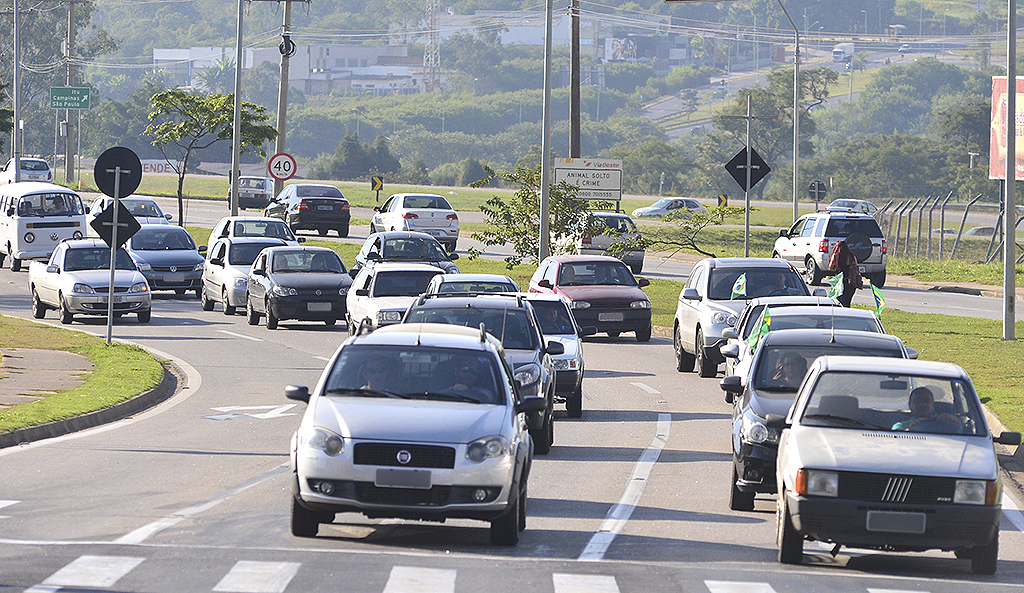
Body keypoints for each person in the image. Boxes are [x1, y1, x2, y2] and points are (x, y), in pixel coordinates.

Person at [893, 387, 962, 433]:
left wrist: (953, 421)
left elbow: (963, 435)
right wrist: (910, 429)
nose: (922, 404)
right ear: (910, 405)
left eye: (927, 400)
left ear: (933, 404)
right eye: (917, 401)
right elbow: (897, 441)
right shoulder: (900, 426)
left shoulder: (948, 420)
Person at [828, 240, 862, 307]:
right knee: (847, 302)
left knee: (839, 302)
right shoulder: (851, 255)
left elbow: (830, 267)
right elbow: (855, 266)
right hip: (850, 282)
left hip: (839, 283)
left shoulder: (836, 255)